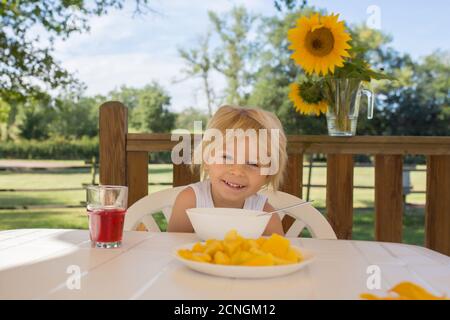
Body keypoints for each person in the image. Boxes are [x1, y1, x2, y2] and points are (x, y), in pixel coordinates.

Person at [168, 105, 287, 235]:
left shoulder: (265, 215)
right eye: (226, 157)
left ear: (268, 174)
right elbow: (173, 247)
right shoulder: (190, 201)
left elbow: (278, 253)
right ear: (206, 159)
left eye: (253, 163)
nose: (237, 171)